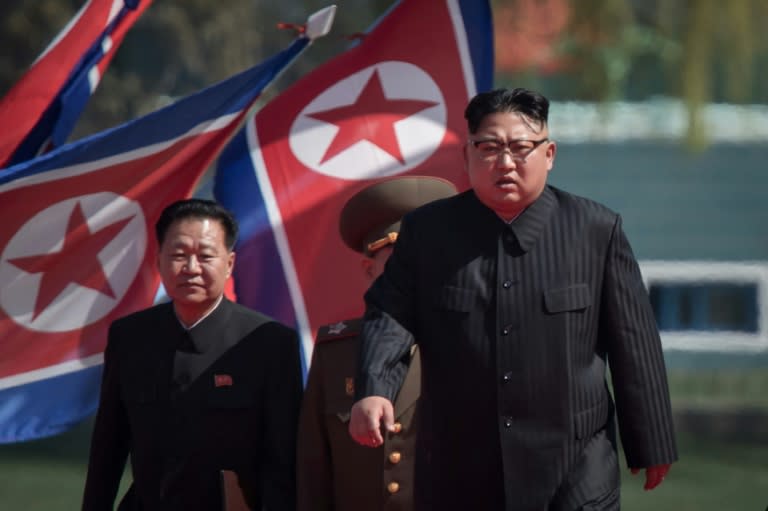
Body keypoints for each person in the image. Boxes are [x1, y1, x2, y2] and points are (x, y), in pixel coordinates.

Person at [348, 88, 678, 510]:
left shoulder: (595, 230)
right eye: (489, 148)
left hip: (575, 464)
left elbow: (634, 341)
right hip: (461, 465)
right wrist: (374, 389)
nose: (505, 162)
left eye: (521, 148)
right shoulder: (428, 233)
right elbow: (390, 314)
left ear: (549, 153)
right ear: (466, 154)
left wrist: (650, 440)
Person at [82, 198, 302, 511]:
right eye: (179, 255)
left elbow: (282, 459)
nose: (191, 268)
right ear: (159, 261)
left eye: (206, 256)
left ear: (229, 264)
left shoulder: (269, 342)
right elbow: (108, 446)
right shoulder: (130, 337)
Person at [297, 176, 458, 511]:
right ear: (369, 270)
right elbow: (314, 470)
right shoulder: (336, 352)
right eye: (398, 264)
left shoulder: (471, 343)